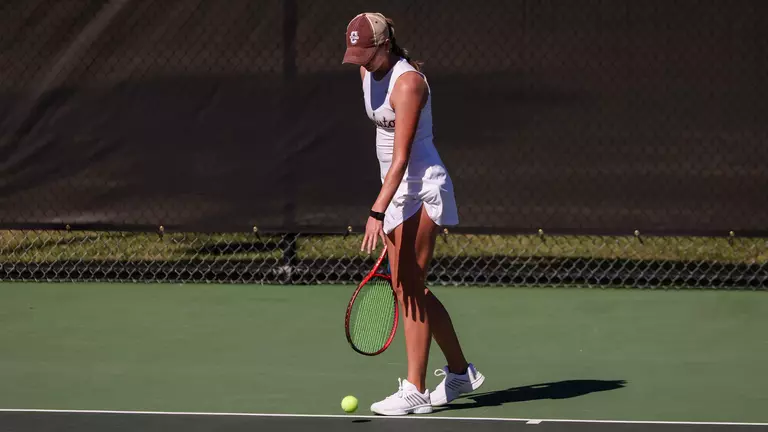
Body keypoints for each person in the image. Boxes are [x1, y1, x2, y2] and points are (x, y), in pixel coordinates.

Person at [341, 12, 485, 416]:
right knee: (409, 287)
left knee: (409, 286)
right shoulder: (367, 72)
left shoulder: (409, 84)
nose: (361, 60)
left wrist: (376, 210)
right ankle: (460, 373)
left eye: (366, 52)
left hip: (421, 188)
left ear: (385, 45)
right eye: (355, 53)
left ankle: (415, 388)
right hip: (394, 189)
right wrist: (385, 202)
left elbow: (402, 157)